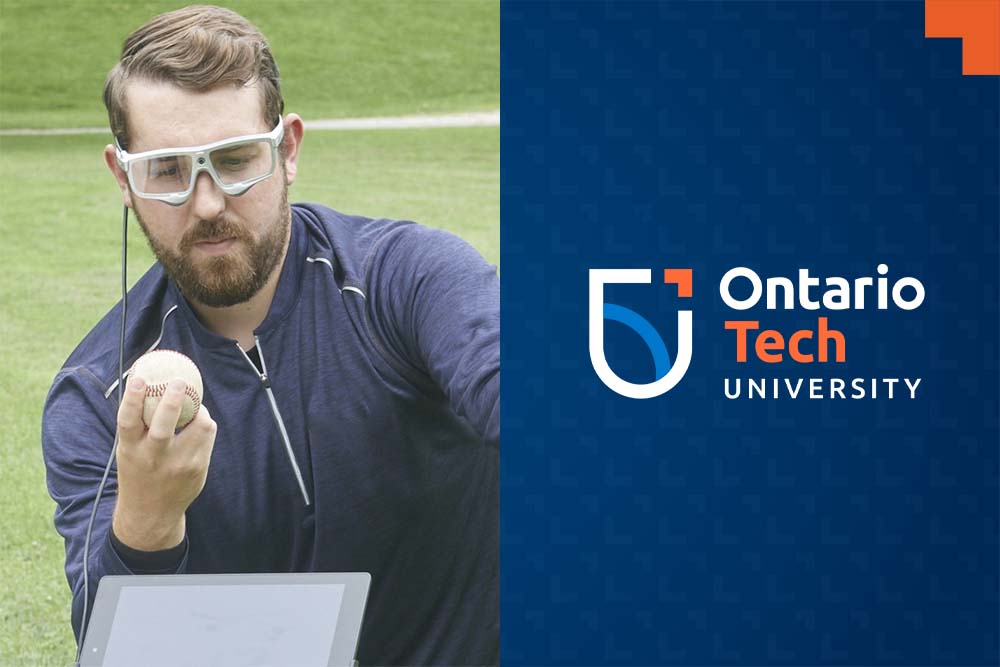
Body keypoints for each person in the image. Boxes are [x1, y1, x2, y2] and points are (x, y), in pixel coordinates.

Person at [40, 5, 499, 665]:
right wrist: (146, 518)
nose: (207, 203)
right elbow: (117, 653)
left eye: (234, 160)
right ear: (123, 177)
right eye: (168, 170)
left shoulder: (405, 278)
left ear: (287, 150)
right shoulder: (95, 398)